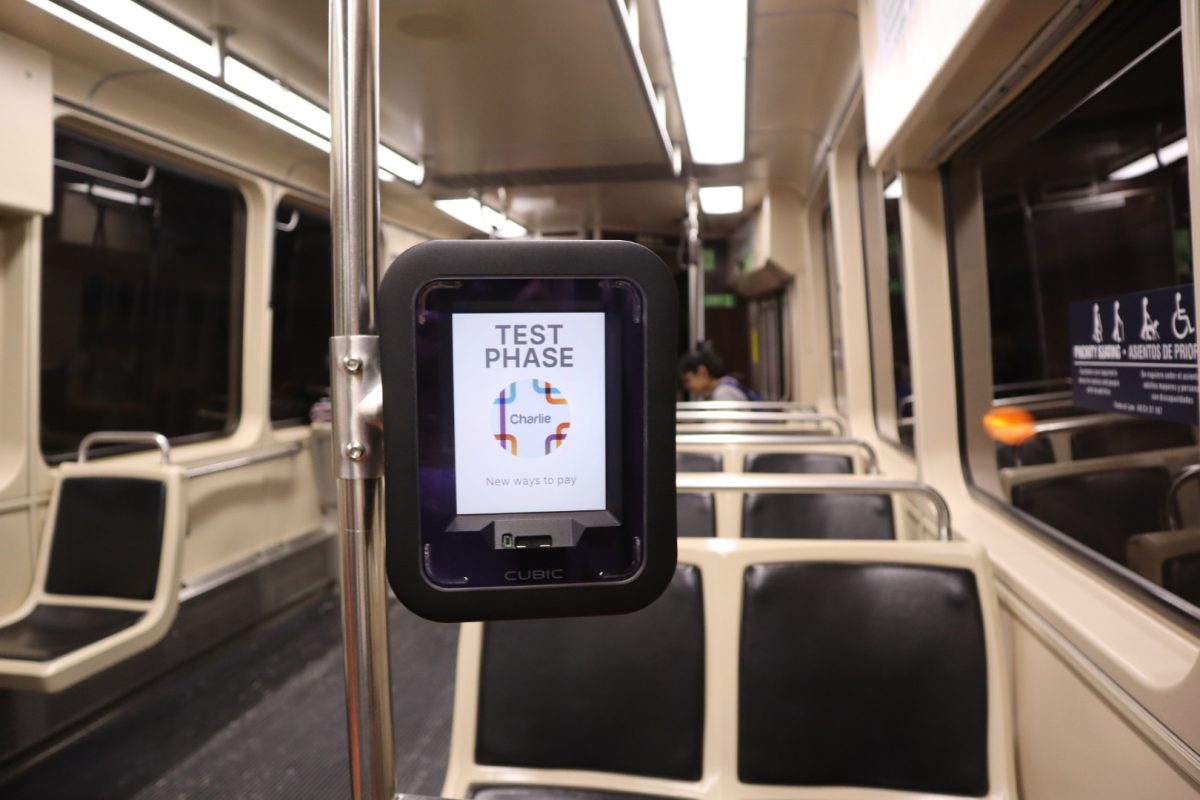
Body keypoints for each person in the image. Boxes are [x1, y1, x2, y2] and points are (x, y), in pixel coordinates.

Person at [678, 347, 760, 401]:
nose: (688, 386)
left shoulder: (723, 393)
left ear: (703, 372)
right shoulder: (725, 384)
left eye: (688, 380)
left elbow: (727, 425)